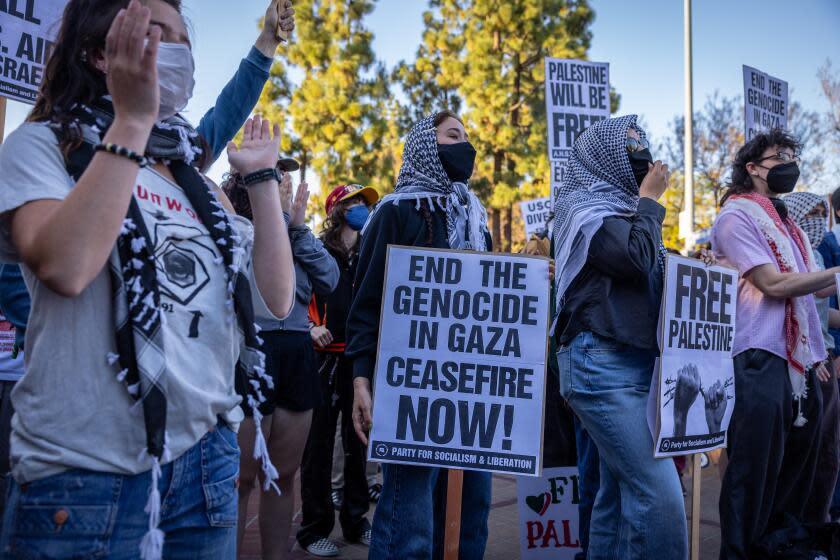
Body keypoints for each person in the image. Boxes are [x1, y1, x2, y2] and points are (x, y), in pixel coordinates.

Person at [0, 0, 296, 557]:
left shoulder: (195, 180)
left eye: (181, 39)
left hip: (205, 463)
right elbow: (66, 267)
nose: (175, 50)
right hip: (86, 475)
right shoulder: (44, 147)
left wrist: (259, 181)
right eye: (154, 31)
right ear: (96, 52)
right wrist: (130, 120)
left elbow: (274, 299)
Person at [346, 111, 493, 559]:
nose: (464, 145)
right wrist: (360, 378)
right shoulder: (394, 211)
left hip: (470, 385)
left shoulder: (475, 219)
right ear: (426, 146)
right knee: (408, 512)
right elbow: (366, 301)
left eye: (467, 137)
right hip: (411, 384)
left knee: (472, 510)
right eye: (453, 136)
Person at [553, 115, 687, 559]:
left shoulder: (626, 213)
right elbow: (634, 259)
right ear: (602, 157)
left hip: (633, 365)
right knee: (661, 496)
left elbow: (648, 270)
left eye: (643, 146)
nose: (643, 159)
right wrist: (650, 201)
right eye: (631, 150)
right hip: (600, 367)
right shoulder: (584, 209)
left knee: (614, 498)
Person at [712, 129, 834, 559]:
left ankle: (780, 551)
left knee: (795, 477)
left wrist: (812, 352)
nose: (787, 163)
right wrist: (835, 272)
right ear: (752, 168)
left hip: (798, 365)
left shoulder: (789, 227)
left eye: (790, 155)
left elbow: (814, 292)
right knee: (753, 476)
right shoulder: (735, 217)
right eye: (777, 156)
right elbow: (774, 283)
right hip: (757, 357)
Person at [226, 169, 339, 560]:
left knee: (282, 477)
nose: (285, 187)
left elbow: (329, 278)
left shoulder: (297, 236)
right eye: (276, 180)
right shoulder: (235, 227)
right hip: (249, 352)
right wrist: (269, 222)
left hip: (295, 356)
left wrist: (295, 229)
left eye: (285, 182)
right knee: (239, 480)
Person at [297, 183, 379, 556]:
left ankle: (356, 520)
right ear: (336, 209)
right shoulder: (315, 250)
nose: (361, 207)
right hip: (323, 358)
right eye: (354, 202)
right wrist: (309, 327)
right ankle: (314, 528)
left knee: (359, 440)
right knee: (318, 445)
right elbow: (295, 295)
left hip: (358, 360)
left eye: (365, 202)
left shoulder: (370, 250)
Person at [783, 191, 840, 525]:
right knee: (801, 451)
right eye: (812, 213)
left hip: (823, 358)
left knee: (827, 451)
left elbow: (822, 311)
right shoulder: (788, 254)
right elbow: (812, 294)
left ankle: (817, 527)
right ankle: (794, 531)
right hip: (801, 363)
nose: (819, 219)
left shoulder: (814, 254)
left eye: (823, 212)